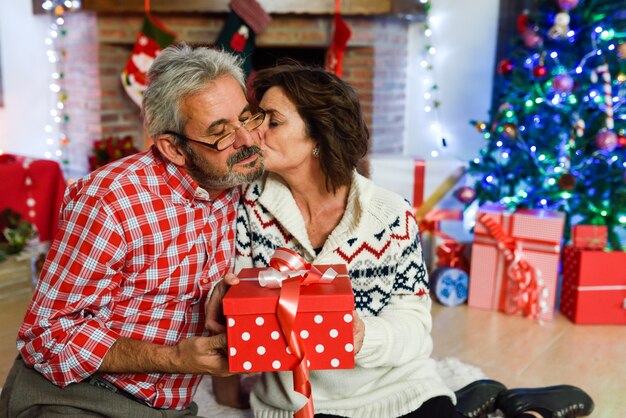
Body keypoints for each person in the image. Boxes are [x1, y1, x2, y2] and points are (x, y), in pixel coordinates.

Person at [217, 64, 595, 418]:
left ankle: (525, 406)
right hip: (298, 403)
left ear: (319, 134)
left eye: (274, 121)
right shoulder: (249, 208)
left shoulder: (391, 216)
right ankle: (476, 397)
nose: (254, 131)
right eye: (257, 116)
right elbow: (242, 316)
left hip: (395, 390)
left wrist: (363, 335)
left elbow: (414, 328)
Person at [0, 43, 264, 418]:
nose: (248, 140)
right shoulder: (110, 201)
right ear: (173, 148)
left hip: (170, 404)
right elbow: (44, 337)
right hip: (77, 396)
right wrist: (174, 358)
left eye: (247, 118)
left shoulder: (229, 182)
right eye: (221, 133)